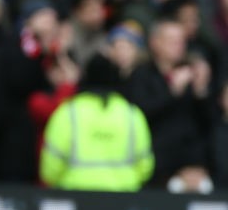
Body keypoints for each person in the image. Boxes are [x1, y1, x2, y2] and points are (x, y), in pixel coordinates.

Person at [40, 55, 153, 191]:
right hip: (123, 197)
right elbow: (145, 167)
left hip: (76, 196)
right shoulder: (132, 114)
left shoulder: (67, 113)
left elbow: (49, 170)